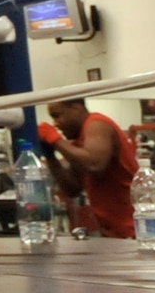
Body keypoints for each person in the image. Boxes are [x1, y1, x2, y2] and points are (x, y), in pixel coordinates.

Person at [40, 99, 137, 239]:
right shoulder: (80, 141)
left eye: (57, 115)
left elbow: (95, 165)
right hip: (113, 233)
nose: (55, 123)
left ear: (76, 108)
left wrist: (55, 139)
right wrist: (50, 156)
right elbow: (72, 189)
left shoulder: (96, 123)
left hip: (133, 231)